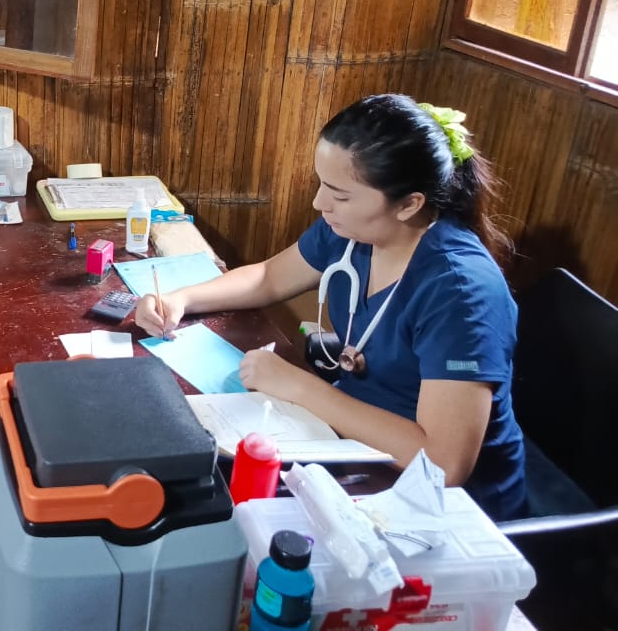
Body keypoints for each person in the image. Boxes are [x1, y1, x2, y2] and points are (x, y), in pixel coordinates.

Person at [135, 94, 527, 520]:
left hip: (440, 506)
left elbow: (443, 466)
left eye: (340, 194)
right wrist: (181, 298)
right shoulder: (351, 229)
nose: (320, 204)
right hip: (351, 441)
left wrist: (300, 388)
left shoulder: (461, 292)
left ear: (409, 204)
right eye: (321, 184)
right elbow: (269, 278)